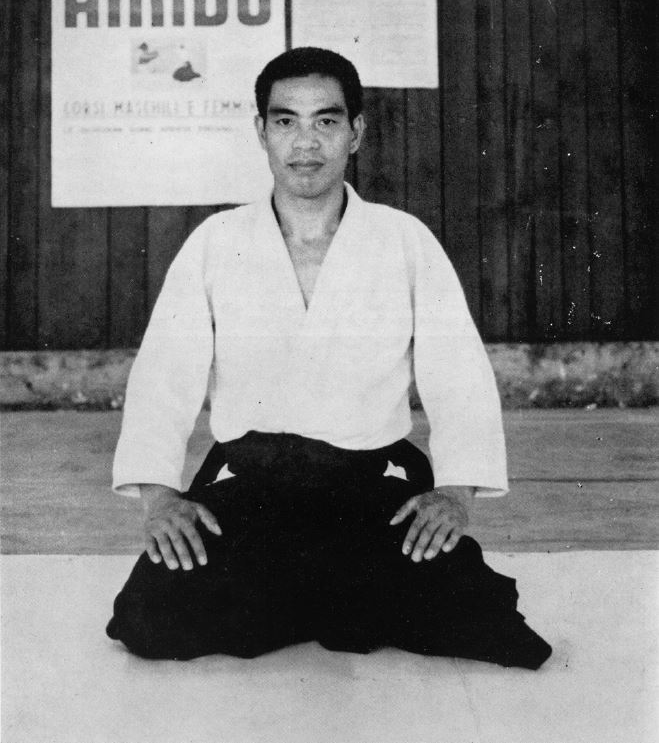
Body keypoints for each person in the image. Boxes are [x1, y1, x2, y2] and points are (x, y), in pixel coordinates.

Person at [106, 47, 552, 669]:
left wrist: (455, 491)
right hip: (254, 493)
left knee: (493, 624)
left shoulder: (403, 240)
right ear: (261, 131)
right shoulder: (217, 242)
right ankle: (334, 599)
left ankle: (304, 598)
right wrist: (160, 497)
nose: (306, 142)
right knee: (147, 619)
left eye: (326, 120)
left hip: (368, 494)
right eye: (285, 121)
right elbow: (164, 376)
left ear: (356, 132)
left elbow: (459, 373)